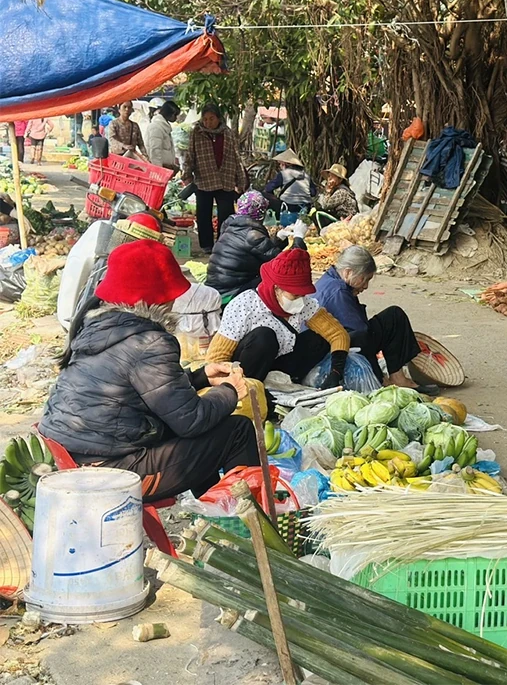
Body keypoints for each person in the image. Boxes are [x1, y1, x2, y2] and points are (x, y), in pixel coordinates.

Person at [39, 240, 257, 502]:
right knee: (237, 430)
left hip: (74, 458)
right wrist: (230, 391)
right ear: (159, 295)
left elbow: (146, 392)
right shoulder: (149, 342)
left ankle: (212, 512)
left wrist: (200, 377)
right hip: (110, 474)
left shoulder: (98, 327)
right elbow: (192, 421)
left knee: (197, 433)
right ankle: (250, 524)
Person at [206, 247, 350, 387]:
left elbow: (338, 334)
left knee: (318, 339)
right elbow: (217, 357)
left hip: (279, 366)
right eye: (294, 295)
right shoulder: (244, 305)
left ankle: (286, 383)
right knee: (264, 336)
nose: (300, 299)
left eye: (303, 295)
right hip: (246, 370)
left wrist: (336, 372)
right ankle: (252, 387)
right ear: (276, 289)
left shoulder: (306, 304)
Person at [315, 245, 431, 392]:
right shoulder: (338, 292)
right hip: (331, 351)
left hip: (332, 343)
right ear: (348, 272)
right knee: (386, 321)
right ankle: (388, 379)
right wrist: (378, 376)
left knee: (392, 317)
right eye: (364, 279)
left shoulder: (332, 278)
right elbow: (362, 335)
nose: (366, 286)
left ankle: (397, 377)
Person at [206, 190, 298, 301]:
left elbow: (262, 250)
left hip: (216, 287)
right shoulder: (252, 235)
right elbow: (285, 264)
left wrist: (279, 238)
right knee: (274, 278)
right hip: (231, 292)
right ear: (261, 213)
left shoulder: (231, 227)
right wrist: (299, 238)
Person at [182, 103, 247, 253]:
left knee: (226, 213)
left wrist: (241, 180)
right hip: (204, 178)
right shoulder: (196, 133)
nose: (208, 122)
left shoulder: (228, 133)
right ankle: (206, 245)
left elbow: (236, 157)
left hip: (225, 177)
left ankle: (224, 244)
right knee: (203, 214)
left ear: (219, 118)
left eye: (211, 119)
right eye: (205, 119)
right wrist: (187, 174)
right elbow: (190, 154)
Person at [264, 149, 316, 215]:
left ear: (285, 164)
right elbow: (313, 193)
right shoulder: (306, 176)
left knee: (263, 195)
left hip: (288, 206)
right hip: (305, 207)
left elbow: (268, 188)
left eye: (280, 164)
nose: (280, 166)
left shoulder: (283, 174)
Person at [145, 100, 180, 171]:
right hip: (159, 170)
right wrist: (158, 171)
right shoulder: (156, 127)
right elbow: (155, 152)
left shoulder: (163, 127)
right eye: (175, 115)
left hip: (165, 168)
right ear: (170, 114)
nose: (176, 118)